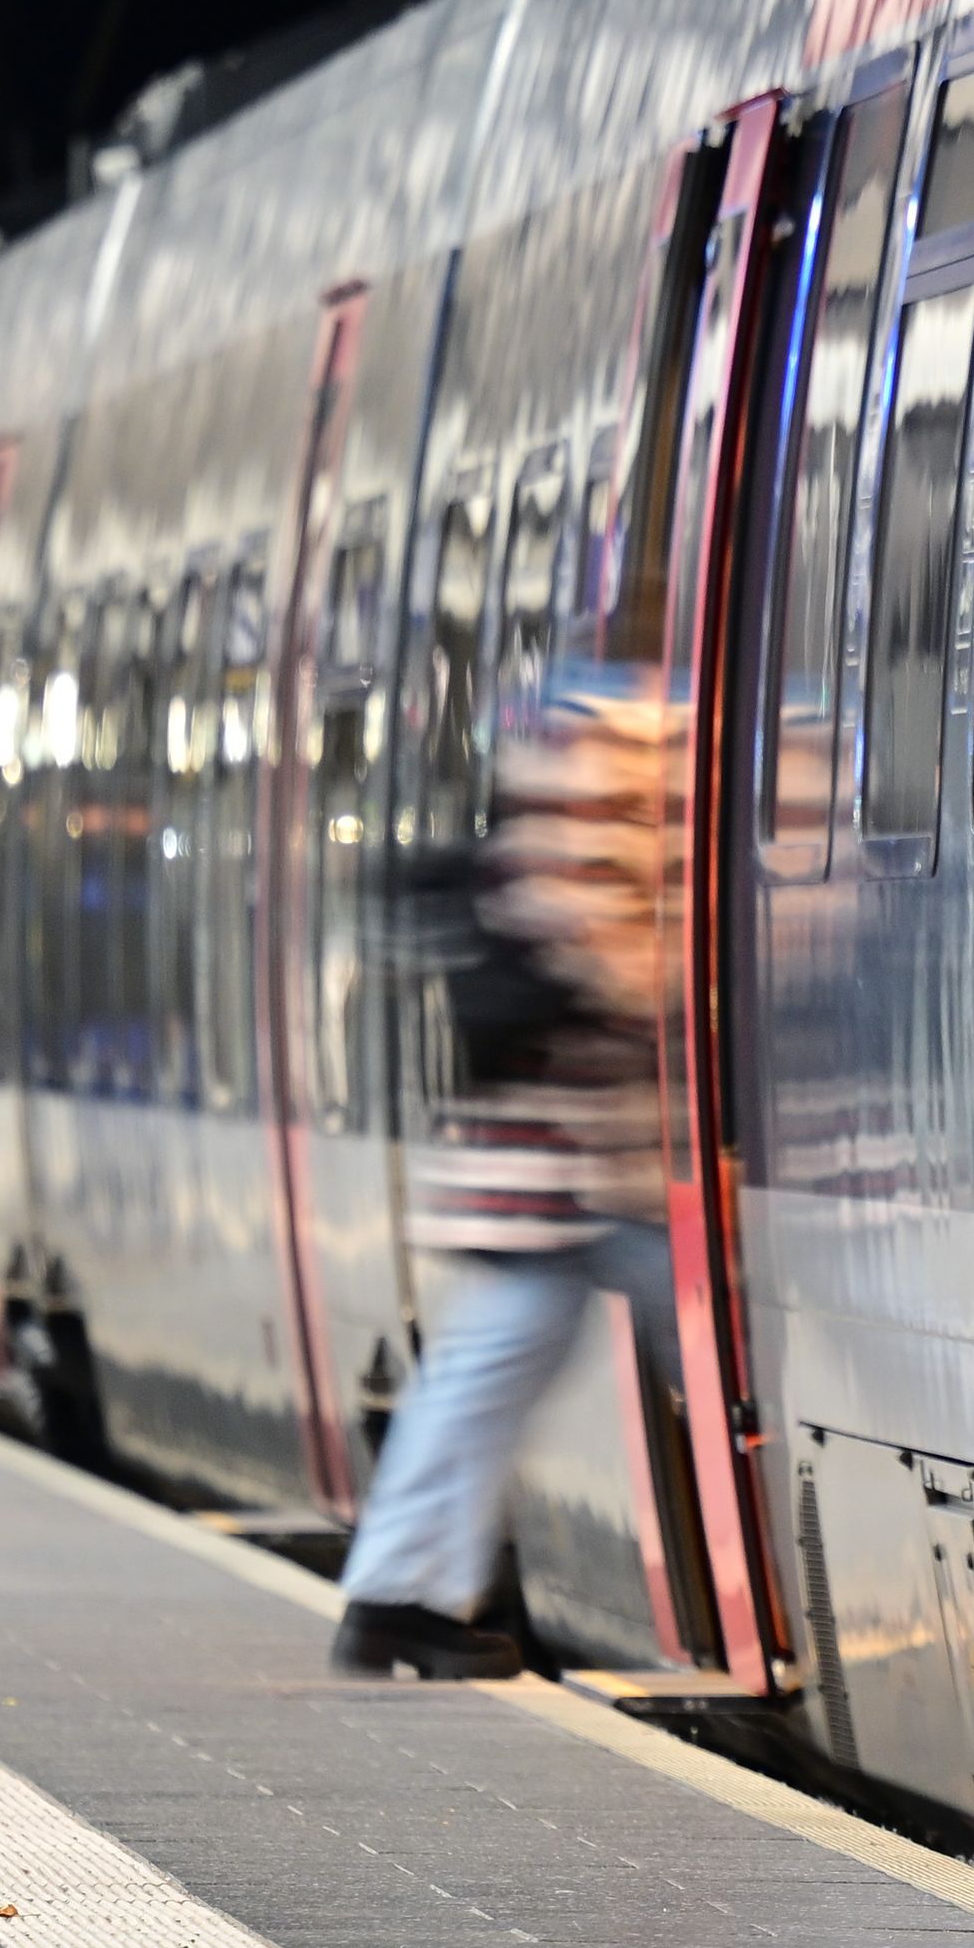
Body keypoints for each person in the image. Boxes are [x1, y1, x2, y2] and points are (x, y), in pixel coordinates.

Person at [333, 690, 682, 1678]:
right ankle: (396, 1595)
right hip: (552, 1191)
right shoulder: (563, 855)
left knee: (483, 1377)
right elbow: (617, 985)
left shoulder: (535, 843)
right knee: (695, 1326)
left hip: (549, 1191)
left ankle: (400, 1594)